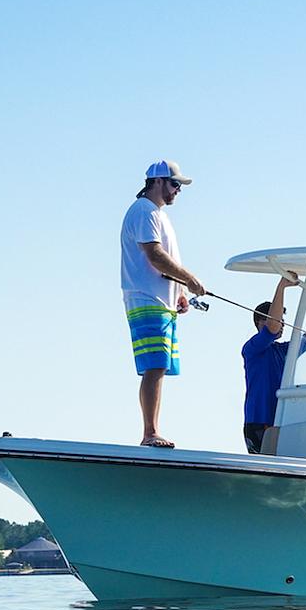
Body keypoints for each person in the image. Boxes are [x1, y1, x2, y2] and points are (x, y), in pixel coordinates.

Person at [120, 160, 207, 448]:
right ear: (157, 181)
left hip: (163, 302)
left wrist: (180, 291)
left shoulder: (158, 214)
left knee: (160, 366)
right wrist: (190, 278)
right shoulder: (144, 211)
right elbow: (155, 255)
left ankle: (152, 431)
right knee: (155, 365)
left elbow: (165, 257)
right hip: (147, 298)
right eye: (174, 184)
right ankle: (150, 433)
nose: (178, 190)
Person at [241, 274, 306, 453]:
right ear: (259, 322)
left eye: (283, 321)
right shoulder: (252, 348)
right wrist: (281, 287)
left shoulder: (283, 351)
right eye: (278, 319)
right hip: (259, 422)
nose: (281, 324)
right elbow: (271, 328)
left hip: (282, 420)